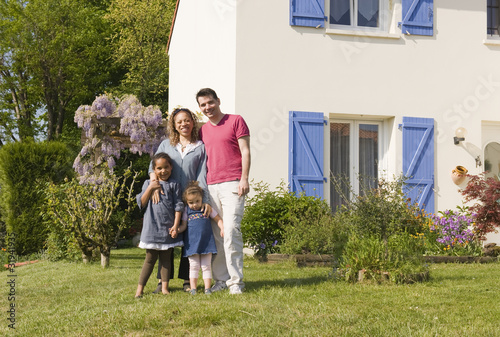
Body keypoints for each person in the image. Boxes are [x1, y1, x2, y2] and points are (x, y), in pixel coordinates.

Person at [148, 108, 211, 293]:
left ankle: (186, 279)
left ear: (193, 121)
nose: (183, 124)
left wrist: (203, 199)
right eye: (179, 122)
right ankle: (163, 281)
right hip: (168, 199)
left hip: (191, 199)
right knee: (167, 238)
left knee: (189, 238)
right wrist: (154, 184)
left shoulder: (200, 146)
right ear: (174, 126)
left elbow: (202, 175)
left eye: (186, 120)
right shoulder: (166, 145)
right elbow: (153, 167)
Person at [196, 88, 251, 295]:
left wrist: (244, 178)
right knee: (216, 236)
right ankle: (222, 279)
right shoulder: (203, 130)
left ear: (218, 101)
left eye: (210, 102)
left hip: (233, 183)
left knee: (230, 230)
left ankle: (236, 282)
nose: (207, 107)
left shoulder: (236, 121)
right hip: (211, 186)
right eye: (203, 105)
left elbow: (245, 150)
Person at [134, 153, 184, 298]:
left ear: (171, 167)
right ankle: (139, 290)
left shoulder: (174, 185)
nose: (163, 171)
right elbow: (141, 203)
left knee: (166, 259)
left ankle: (164, 288)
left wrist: (176, 226)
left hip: (167, 229)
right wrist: (151, 187)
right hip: (151, 229)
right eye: (159, 168)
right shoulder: (147, 184)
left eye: (166, 167)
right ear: (154, 170)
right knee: (149, 259)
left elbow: (178, 207)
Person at [176, 181, 224, 295]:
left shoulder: (207, 209)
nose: (194, 204)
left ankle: (207, 289)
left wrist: (222, 228)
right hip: (192, 244)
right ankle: (193, 289)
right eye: (191, 202)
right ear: (187, 202)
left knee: (206, 266)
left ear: (202, 198)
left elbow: (218, 219)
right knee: (194, 266)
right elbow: (183, 225)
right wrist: (176, 230)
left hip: (206, 243)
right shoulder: (187, 210)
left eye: (197, 201)